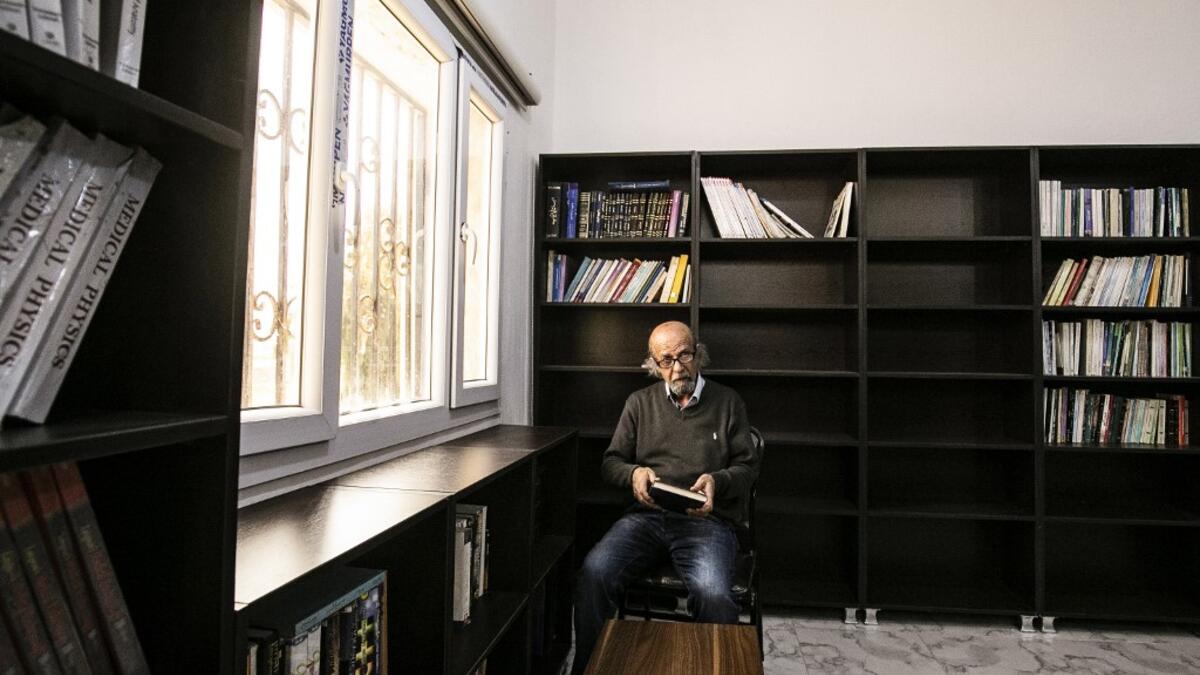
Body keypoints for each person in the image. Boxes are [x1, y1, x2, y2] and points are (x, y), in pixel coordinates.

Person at [571, 320, 761, 674]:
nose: (677, 367)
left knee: (714, 594)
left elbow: (747, 469)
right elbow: (610, 463)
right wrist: (634, 474)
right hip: (645, 518)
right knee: (594, 574)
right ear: (654, 365)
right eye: (666, 359)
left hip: (706, 522)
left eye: (685, 355)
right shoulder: (639, 404)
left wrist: (717, 482)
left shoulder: (728, 402)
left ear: (698, 354)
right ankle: (589, 669)